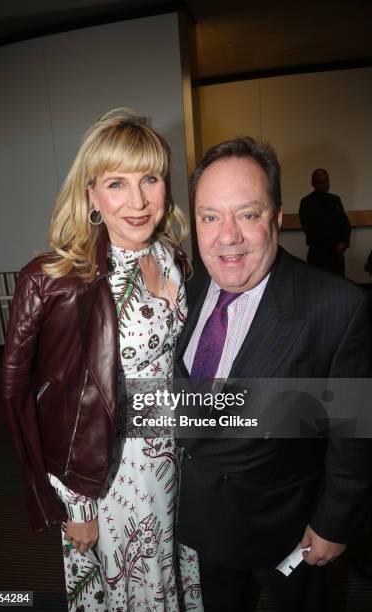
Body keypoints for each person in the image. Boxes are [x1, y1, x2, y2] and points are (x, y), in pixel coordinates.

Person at [2, 109, 203, 611]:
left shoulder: (172, 258)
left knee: (174, 577)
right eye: (117, 183)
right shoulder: (64, 283)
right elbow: (52, 405)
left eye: (150, 179)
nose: (137, 202)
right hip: (112, 478)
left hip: (177, 463)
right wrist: (77, 506)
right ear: (91, 193)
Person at [175, 137, 372, 611]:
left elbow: (354, 434)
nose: (227, 236)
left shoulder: (336, 306)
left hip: (287, 526)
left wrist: (333, 523)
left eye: (247, 214)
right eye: (210, 217)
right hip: (203, 520)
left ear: (278, 217)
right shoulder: (194, 286)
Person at [299, 168, 351, 275]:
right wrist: (334, 245)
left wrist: (344, 242)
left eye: (326, 181)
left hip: (337, 255)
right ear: (313, 183)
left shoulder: (335, 200)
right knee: (319, 287)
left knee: (339, 286)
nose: (324, 185)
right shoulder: (307, 202)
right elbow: (311, 230)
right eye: (320, 182)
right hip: (319, 255)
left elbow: (345, 223)